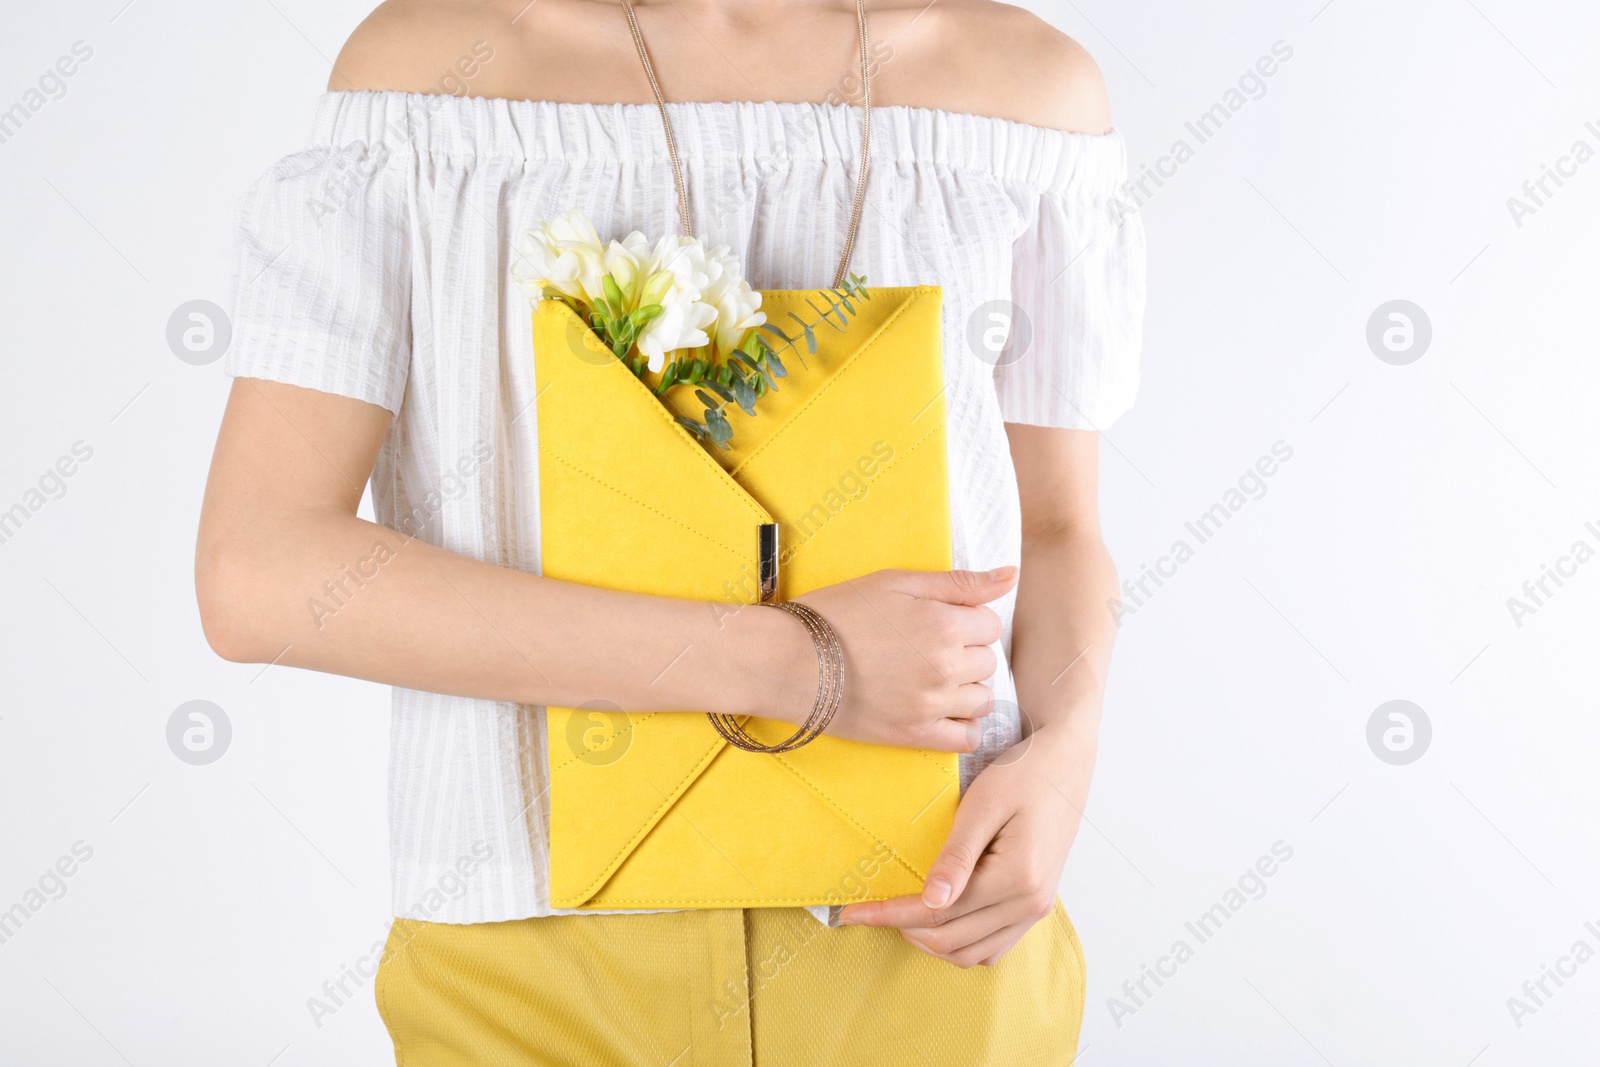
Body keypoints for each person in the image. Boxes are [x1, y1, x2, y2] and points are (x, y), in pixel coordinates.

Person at [196, 0, 1145, 1061]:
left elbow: (1058, 525)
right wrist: (795, 664)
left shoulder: (1020, 90)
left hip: (926, 923)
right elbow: (261, 570)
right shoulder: (431, 81)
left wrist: (1064, 755)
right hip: (527, 947)